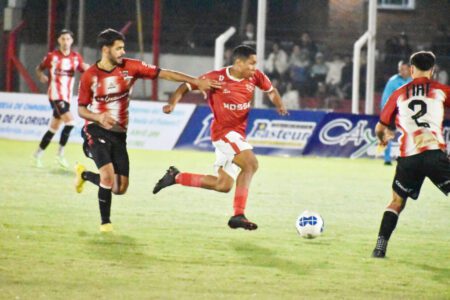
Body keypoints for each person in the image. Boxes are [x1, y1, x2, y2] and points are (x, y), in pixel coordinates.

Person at [74, 28, 221, 232]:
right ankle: (105, 223)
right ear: (105, 49)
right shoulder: (90, 76)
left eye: (123, 48)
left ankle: (84, 176)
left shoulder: (131, 67)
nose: (123, 52)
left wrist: (195, 81)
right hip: (95, 129)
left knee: (119, 188)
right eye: (118, 48)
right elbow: (81, 109)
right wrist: (98, 116)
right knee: (107, 176)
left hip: (118, 134)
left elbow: (165, 73)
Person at [152, 45, 288, 230]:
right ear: (238, 62)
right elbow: (186, 86)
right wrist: (172, 104)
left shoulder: (255, 76)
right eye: (251, 63)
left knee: (223, 185)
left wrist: (279, 104)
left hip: (236, 136)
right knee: (251, 164)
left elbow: (270, 90)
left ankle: (176, 177)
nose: (254, 68)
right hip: (224, 134)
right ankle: (238, 215)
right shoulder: (216, 78)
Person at [372, 51, 450, 258]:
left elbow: (381, 126)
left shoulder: (398, 93)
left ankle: (379, 248)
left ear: (411, 69)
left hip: (409, 158)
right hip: (435, 155)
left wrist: (382, 138)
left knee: (396, 203)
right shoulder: (442, 90)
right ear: (433, 70)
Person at [33, 29, 89, 168]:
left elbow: (84, 70)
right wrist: (41, 75)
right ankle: (60, 155)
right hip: (55, 96)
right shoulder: (52, 56)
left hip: (67, 98)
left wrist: (89, 69)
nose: (65, 42)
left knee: (53, 128)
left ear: (72, 41)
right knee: (70, 123)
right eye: (63, 39)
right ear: (59, 40)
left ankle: (37, 155)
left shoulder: (76, 58)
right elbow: (38, 68)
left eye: (68, 39)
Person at [379, 60, 412, 165]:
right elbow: (385, 98)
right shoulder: (393, 81)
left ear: (410, 69)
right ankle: (387, 159)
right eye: (400, 69)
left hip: (409, 113)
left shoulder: (414, 80)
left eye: (404, 69)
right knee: (388, 134)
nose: (401, 71)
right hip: (394, 112)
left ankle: (409, 158)